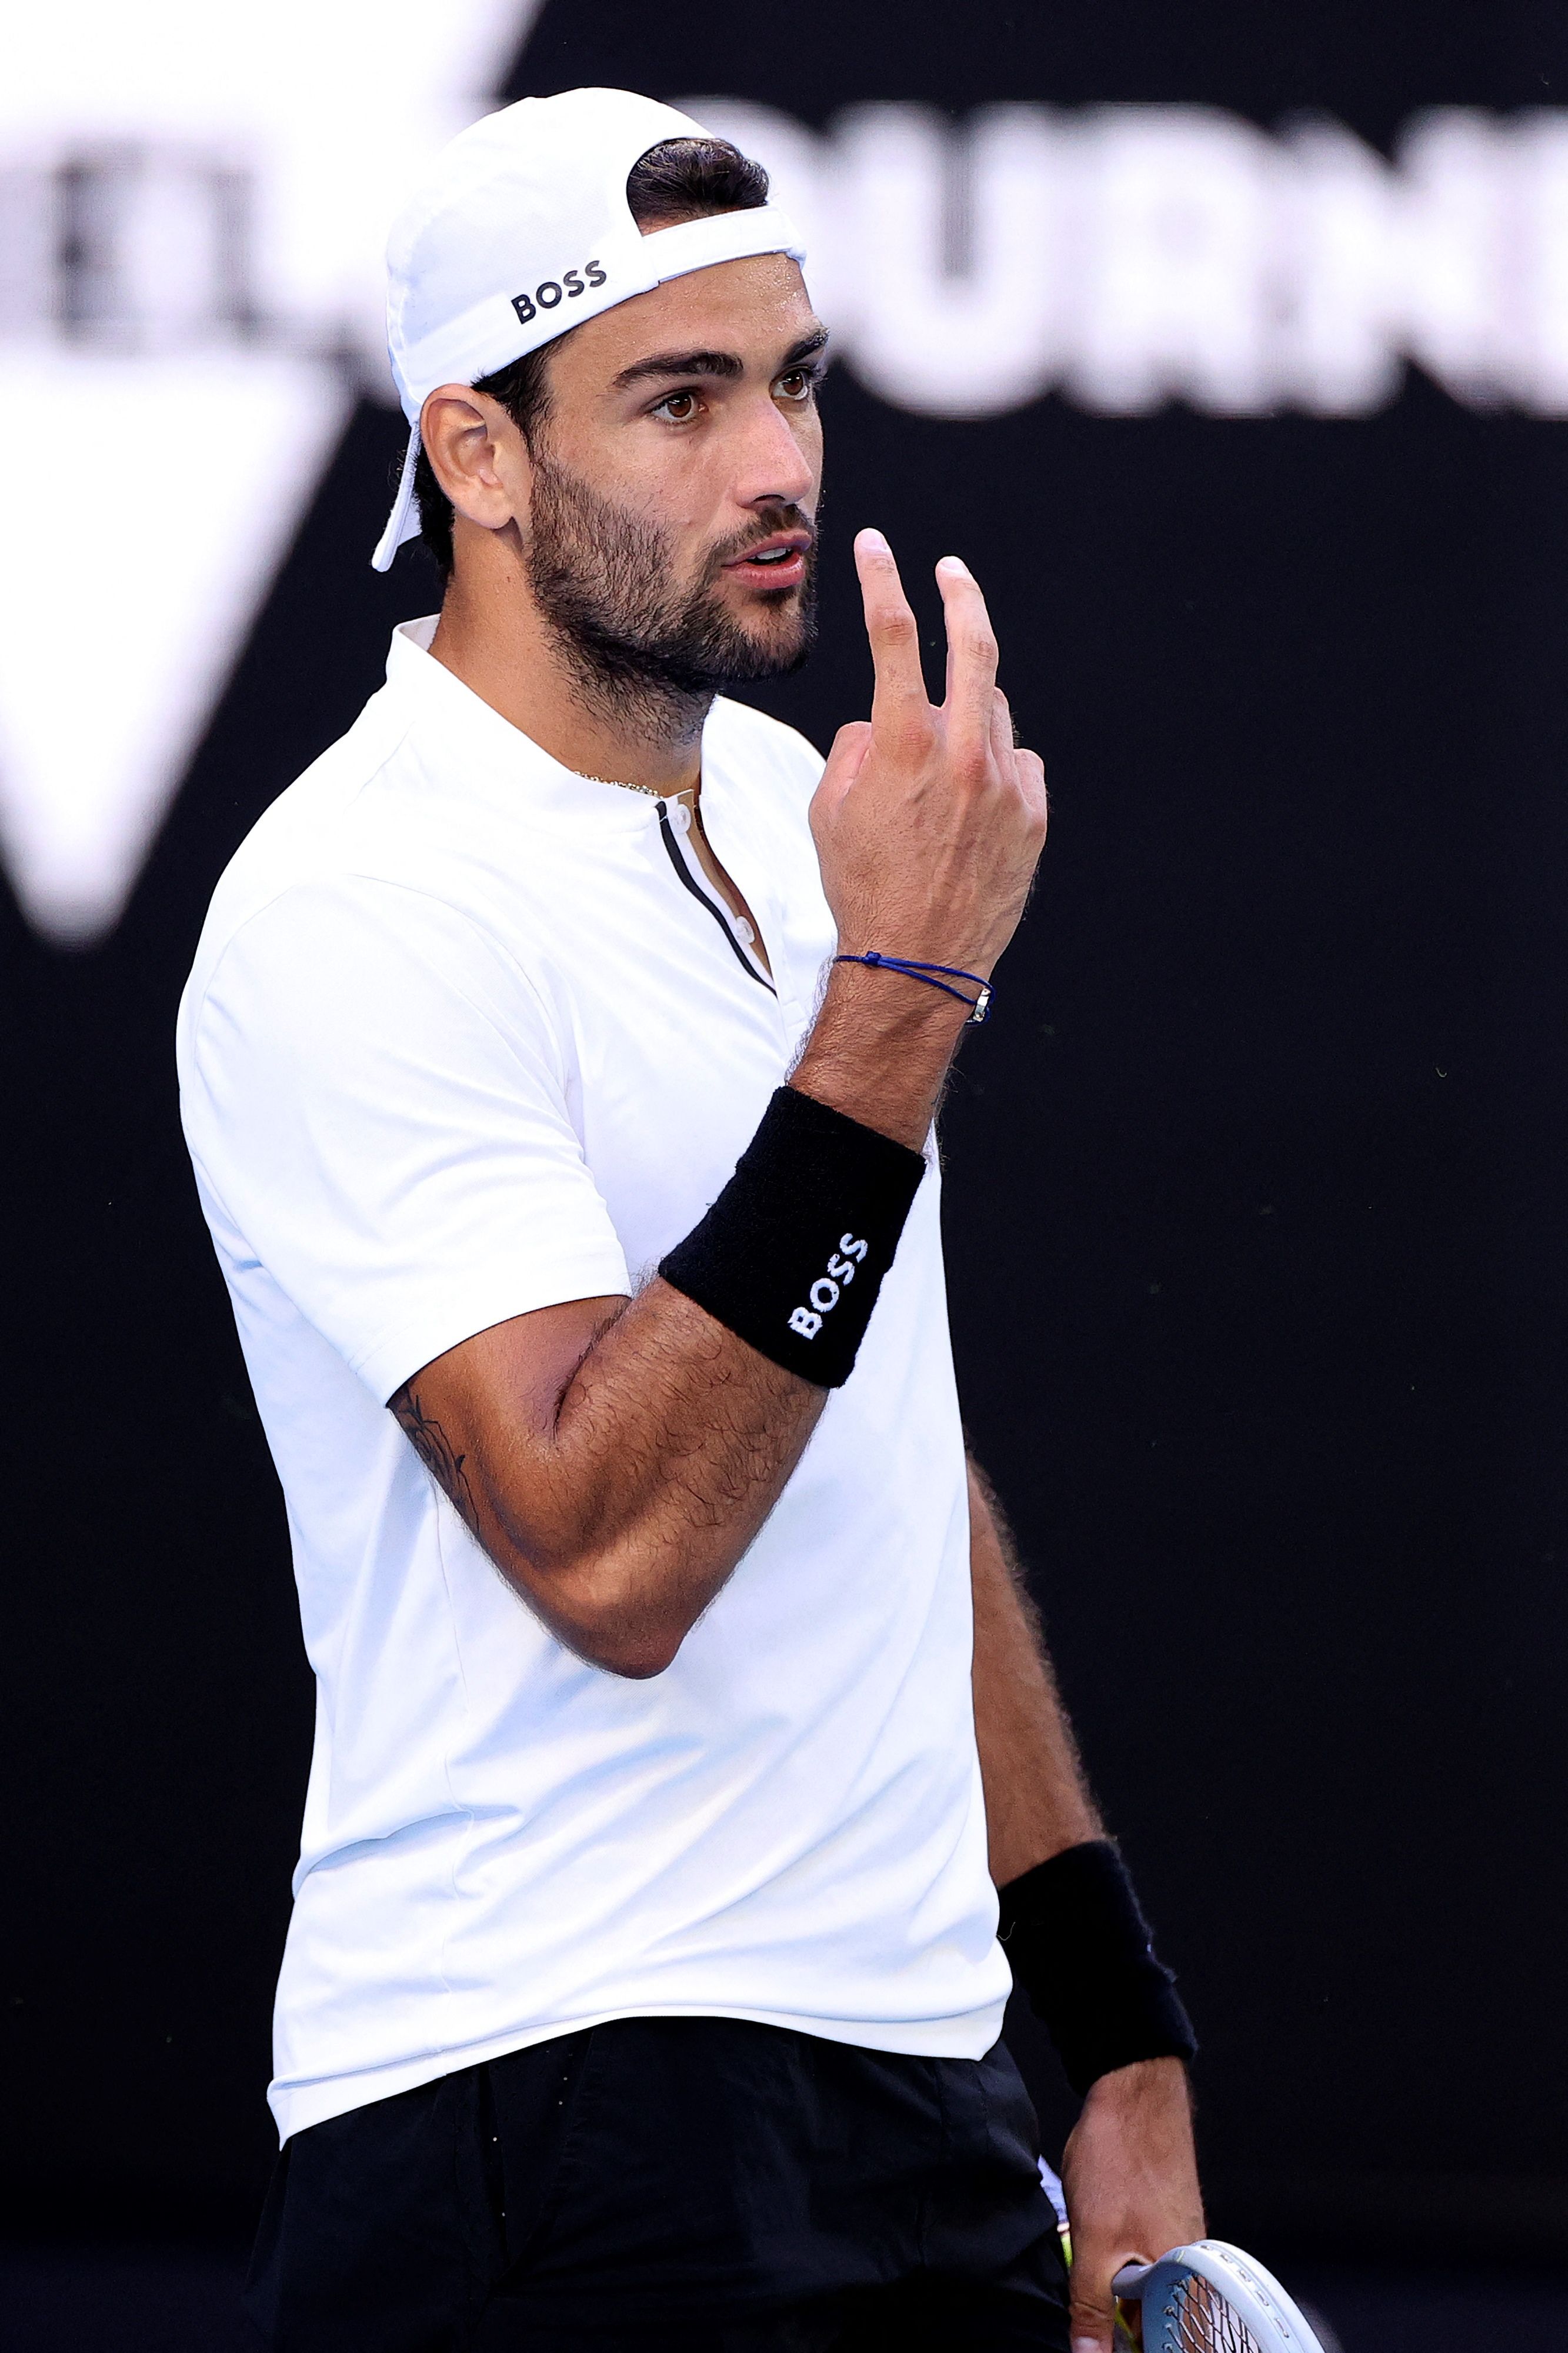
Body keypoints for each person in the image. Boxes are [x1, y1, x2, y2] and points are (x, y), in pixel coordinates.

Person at [177, 87, 1202, 2352]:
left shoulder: (786, 805)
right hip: (543, 2135)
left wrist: (1109, 2049)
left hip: (921, 2112)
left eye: (796, 380)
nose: (779, 466)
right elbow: (612, 1551)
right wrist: (904, 999)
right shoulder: (358, 899)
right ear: (477, 455)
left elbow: (863, 1438)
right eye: (678, 396)